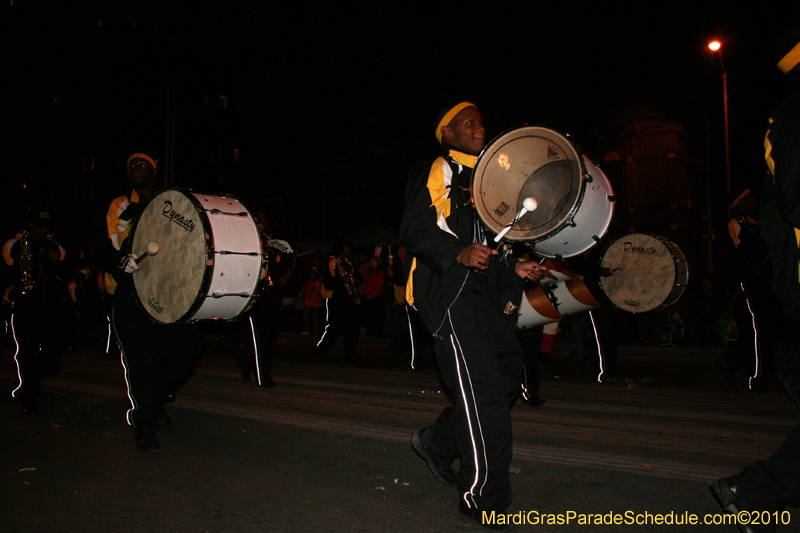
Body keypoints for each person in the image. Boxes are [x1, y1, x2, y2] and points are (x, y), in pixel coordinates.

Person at [400, 102, 545, 531]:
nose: (480, 127)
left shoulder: (489, 179)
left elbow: (489, 241)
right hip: (449, 292)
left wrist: (512, 266)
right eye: (470, 123)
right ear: (447, 133)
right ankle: (483, 496)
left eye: (481, 121)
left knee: (505, 386)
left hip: (487, 293)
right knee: (484, 400)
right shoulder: (439, 169)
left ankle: (438, 441)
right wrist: (456, 252)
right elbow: (416, 227)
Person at [711, 22, 800, 531]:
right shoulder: (792, 117)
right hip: (747, 281)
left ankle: (756, 490)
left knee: (759, 331)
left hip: (765, 278)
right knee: (757, 332)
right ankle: (752, 378)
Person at [89, 153, 202, 451]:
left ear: (154, 171)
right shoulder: (116, 206)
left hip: (167, 292)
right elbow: (96, 244)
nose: (136, 169)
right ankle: (145, 425)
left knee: (187, 351)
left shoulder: (170, 203)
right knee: (140, 363)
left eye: (143, 165)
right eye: (131, 166)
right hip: (127, 294)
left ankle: (154, 402)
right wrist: (117, 261)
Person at [6, 212, 74, 414]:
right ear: (30, 225)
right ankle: (29, 397)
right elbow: (5, 275)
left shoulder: (54, 247)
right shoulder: (16, 246)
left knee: (55, 345)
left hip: (49, 307)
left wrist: (58, 264)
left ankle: (46, 366)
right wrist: (17, 268)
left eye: (46, 226)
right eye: (39, 226)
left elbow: (69, 274)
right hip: (25, 305)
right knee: (26, 352)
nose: (43, 230)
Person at [711, 189, 777, 393]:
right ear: (738, 203)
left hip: (759, 284)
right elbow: (729, 260)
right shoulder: (731, 227)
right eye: (749, 198)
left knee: (761, 331)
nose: (754, 200)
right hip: (745, 285)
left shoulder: (754, 225)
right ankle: (756, 381)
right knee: (758, 331)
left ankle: (730, 363)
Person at [315, 239, 360, 364]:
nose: (349, 249)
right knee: (335, 326)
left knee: (351, 327)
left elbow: (350, 283)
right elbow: (329, 283)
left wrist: (355, 288)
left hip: (347, 299)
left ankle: (350, 353)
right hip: (336, 299)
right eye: (347, 247)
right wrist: (343, 280)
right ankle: (321, 349)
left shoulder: (348, 263)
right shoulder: (333, 262)